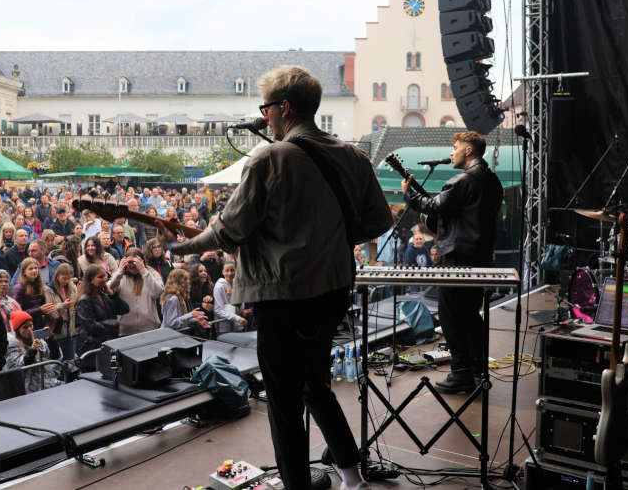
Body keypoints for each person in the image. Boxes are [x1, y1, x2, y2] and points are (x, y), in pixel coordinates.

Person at [161, 65, 392, 490]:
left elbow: (229, 231)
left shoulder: (270, 157)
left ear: (284, 108)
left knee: (284, 401)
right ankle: (351, 474)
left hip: (282, 296)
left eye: (265, 107)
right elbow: (378, 219)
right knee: (315, 386)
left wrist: (178, 247)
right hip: (333, 288)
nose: (263, 115)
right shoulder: (353, 155)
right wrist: (332, 238)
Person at [402, 130, 503, 394]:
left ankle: (461, 374)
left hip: (456, 259)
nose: (451, 152)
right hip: (479, 258)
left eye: (455, 147)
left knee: (451, 317)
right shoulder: (492, 181)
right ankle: (478, 370)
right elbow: (458, 217)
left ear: (469, 150)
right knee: (470, 315)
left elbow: (434, 207)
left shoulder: (463, 180)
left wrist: (409, 196)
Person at [76, 265, 130, 363]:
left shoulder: (105, 296)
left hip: (109, 345)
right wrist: (114, 324)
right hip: (94, 349)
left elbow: (125, 310)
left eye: (105, 276)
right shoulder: (84, 301)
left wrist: (112, 294)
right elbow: (90, 326)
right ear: (91, 280)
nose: (104, 279)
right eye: (100, 277)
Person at [109, 248, 164, 336]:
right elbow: (109, 289)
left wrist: (143, 271)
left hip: (149, 328)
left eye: (135, 262)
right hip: (126, 330)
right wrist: (119, 271)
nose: (132, 265)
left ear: (142, 261)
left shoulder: (152, 274)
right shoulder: (120, 277)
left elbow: (157, 293)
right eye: (129, 262)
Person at [4, 310, 63, 392]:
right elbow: (17, 366)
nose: (29, 329)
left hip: (47, 383)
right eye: (25, 327)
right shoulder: (11, 345)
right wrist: (32, 351)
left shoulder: (39, 340)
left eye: (31, 325)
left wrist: (51, 340)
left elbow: (54, 358)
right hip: (26, 388)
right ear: (17, 330)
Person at [44, 263, 78, 360]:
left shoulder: (71, 286)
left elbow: (75, 300)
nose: (66, 281)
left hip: (70, 328)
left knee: (70, 358)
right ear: (57, 276)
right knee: (59, 358)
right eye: (64, 278)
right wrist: (62, 305)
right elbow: (49, 311)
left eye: (68, 278)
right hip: (57, 330)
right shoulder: (48, 289)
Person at [159, 268, 210, 333]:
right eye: (185, 279)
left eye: (188, 279)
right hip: (170, 336)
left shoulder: (179, 296)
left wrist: (196, 320)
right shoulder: (173, 299)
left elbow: (181, 319)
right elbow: (171, 323)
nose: (188, 282)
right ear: (176, 281)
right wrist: (191, 314)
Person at [212, 260, 251, 334]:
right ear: (223, 272)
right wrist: (237, 318)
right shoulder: (219, 287)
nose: (229, 273)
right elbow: (218, 310)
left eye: (232, 270)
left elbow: (241, 306)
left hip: (238, 325)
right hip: (224, 327)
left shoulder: (238, 285)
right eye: (227, 270)